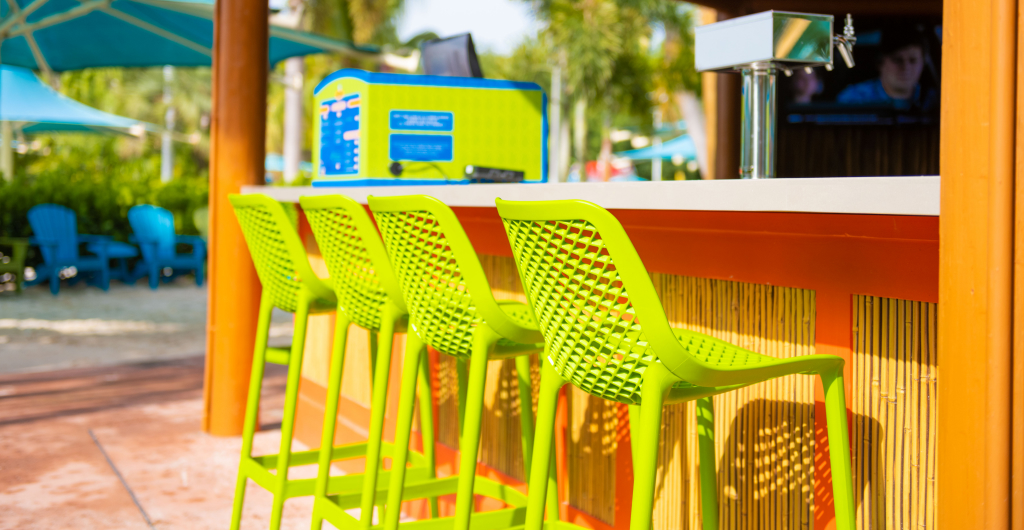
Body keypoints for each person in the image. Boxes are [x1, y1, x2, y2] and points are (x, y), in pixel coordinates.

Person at [837, 28, 938, 111]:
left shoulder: (935, 101)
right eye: (897, 60)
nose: (906, 68)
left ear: (923, 63)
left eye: (913, 61)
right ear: (880, 63)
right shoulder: (853, 99)